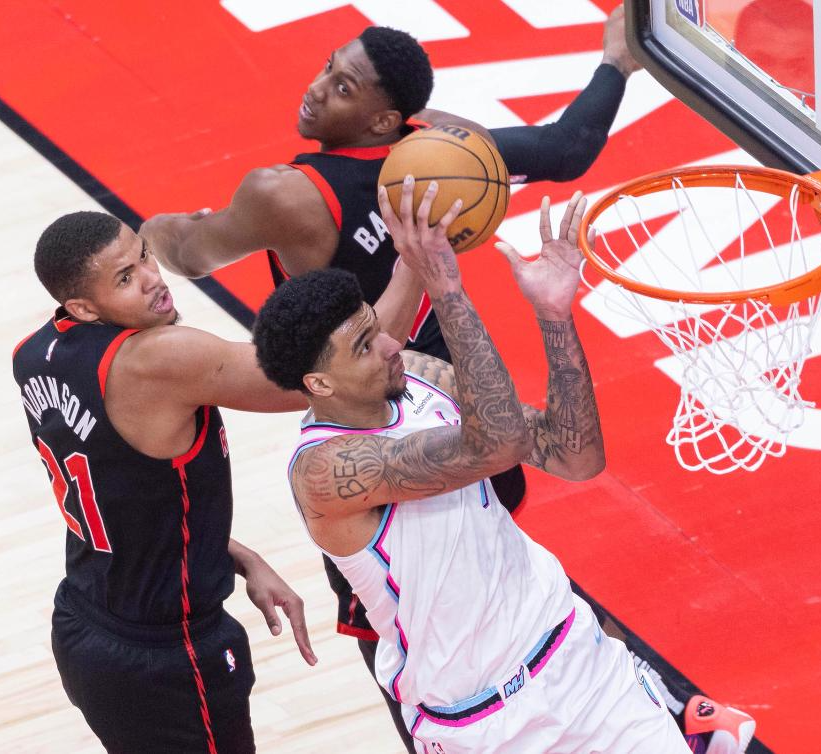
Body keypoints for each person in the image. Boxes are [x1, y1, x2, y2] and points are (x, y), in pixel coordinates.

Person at [139, 12, 641, 748]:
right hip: (456, 392)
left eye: (343, 85)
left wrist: (149, 236)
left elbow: (190, 252)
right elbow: (569, 148)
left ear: (382, 116)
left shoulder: (287, 194)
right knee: (472, 576)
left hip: (403, 399)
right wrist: (616, 61)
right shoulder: (439, 150)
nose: (317, 89)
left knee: (416, 619)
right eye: (327, 67)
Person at [252, 178, 692, 752]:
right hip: (483, 724)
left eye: (376, 329)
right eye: (364, 347)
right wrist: (445, 288)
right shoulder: (326, 471)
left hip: (582, 666)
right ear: (319, 384)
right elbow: (495, 447)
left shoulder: (418, 374)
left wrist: (554, 315)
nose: (390, 345)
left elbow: (575, 456)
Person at [13, 211, 329, 752]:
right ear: (83, 307)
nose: (152, 278)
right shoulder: (160, 359)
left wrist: (238, 555)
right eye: (125, 278)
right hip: (167, 656)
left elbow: (126, 498)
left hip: (85, 622)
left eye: (144, 255)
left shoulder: (33, 355)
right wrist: (418, 271)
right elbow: (322, 382)